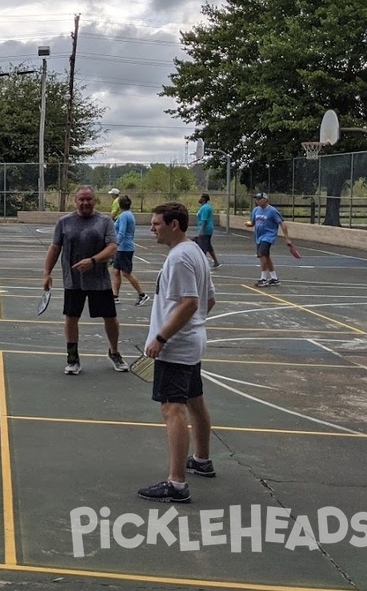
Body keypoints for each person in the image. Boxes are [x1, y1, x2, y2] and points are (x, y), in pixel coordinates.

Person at [138, 202, 217, 503]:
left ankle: (177, 484)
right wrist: (193, 328)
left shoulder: (181, 258)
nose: (152, 228)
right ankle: (201, 459)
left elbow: (190, 303)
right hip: (191, 344)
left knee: (173, 410)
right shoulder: (195, 251)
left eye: (157, 223)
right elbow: (209, 300)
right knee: (195, 402)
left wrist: (162, 337)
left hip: (176, 348)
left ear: (174, 225)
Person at [43, 185, 127, 375]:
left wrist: (93, 260)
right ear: (75, 201)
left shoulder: (104, 221)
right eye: (81, 199)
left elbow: (113, 247)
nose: (85, 203)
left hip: (99, 281)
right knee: (71, 318)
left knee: (110, 318)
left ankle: (114, 352)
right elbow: (55, 248)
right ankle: (72, 358)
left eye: (88, 199)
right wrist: (47, 272)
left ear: (94, 200)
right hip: (73, 281)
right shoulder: (64, 222)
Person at [244, 192, 295, 287]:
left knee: (263, 254)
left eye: (259, 199)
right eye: (256, 199)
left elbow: (282, 223)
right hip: (258, 236)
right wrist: (249, 224)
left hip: (268, 236)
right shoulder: (255, 210)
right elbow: (253, 223)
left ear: (266, 200)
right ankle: (274, 278)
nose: (257, 201)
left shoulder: (272, 211)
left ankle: (263, 279)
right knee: (266, 256)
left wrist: (286, 237)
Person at [111, 195, 150, 306]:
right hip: (122, 248)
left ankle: (142, 294)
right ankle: (115, 296)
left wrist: (115, 245)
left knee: (126, 273)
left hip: (124, 248)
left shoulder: (124, 216)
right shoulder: (128, 214)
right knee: (116, 271)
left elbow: (122, 232)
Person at [195, 193, 222, 269]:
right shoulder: (204, 207)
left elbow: (204, 220)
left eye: (200, 197)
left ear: (204, 199)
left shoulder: (205, 208)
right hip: (208, 229)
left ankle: (202, 264)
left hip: (205, 229)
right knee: (208, 246)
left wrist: (201, 230)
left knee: (202, 246)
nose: (199, 198)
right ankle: (216, 262)